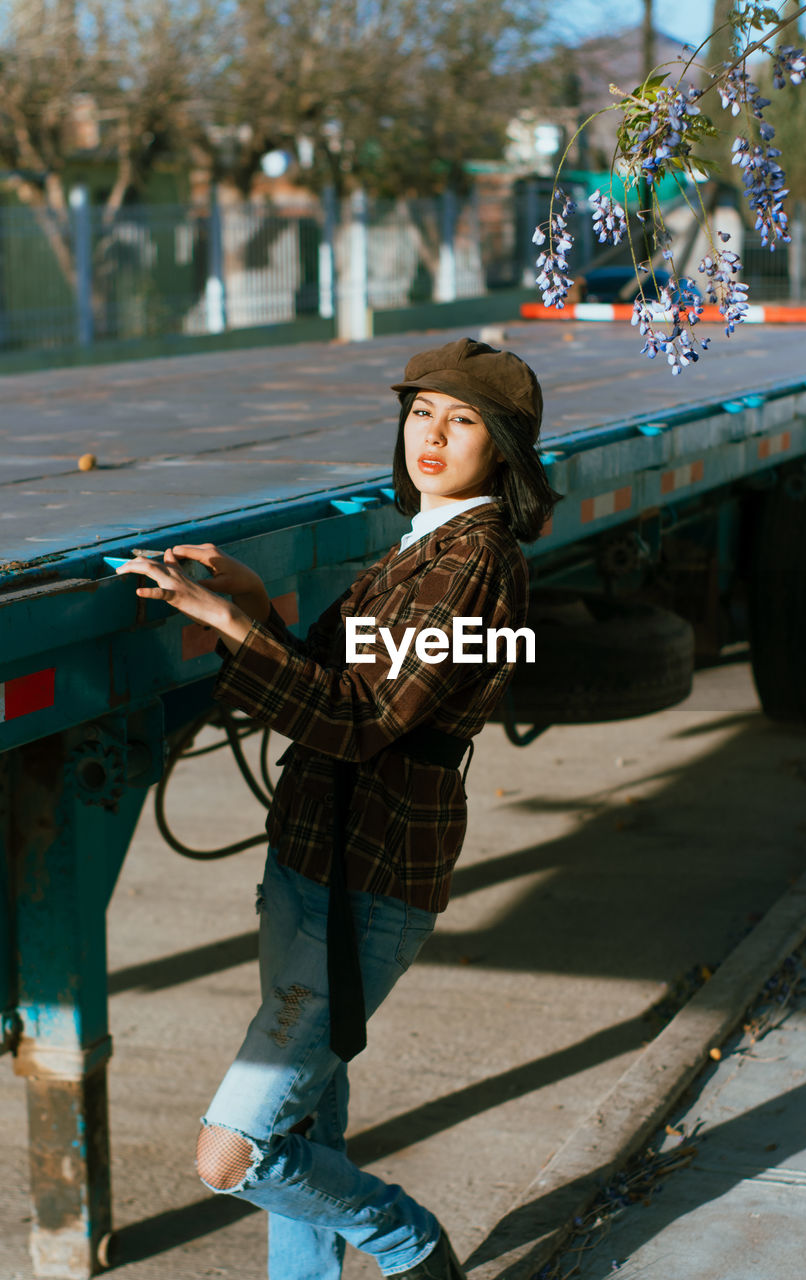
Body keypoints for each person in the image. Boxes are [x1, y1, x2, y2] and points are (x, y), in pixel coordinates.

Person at [117, 337, 560, 1280]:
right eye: (419, 413)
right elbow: (329, 682)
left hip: (370, 873)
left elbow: (362, 721)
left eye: (463, 420)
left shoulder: (474, 563)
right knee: (308, 1114)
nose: (431, 436)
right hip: (312, 855)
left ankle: (410, 1247)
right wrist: (254, 607)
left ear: (505, 447)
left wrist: (231, 627)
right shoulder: (422, 544)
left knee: (234, 1153)